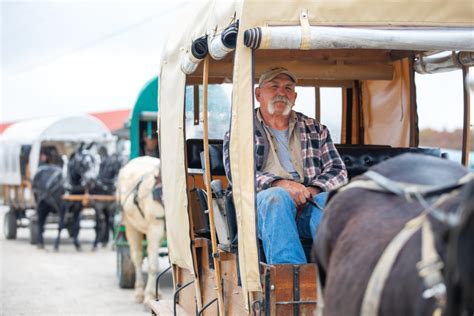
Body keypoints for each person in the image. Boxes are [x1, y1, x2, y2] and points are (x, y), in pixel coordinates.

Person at [223, 67, 348, 264]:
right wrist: (281, 185)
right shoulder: (241, 130)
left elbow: (338, 171)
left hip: (309, 202)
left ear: (295, 97)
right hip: (264, 207)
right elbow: (238, 174)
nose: (282, 93)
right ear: (258, 94)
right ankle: (290, 282)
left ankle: (345, 277)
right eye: (274, 86)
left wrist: (312, 191)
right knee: (277, 198)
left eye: (288, 88)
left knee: (330, 201)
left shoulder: (316, 129)